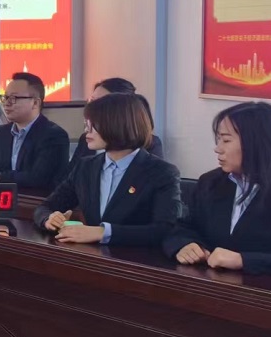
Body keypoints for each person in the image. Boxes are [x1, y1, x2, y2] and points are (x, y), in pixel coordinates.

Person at [34, 92, 181, 247]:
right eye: (87, 124)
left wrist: (103, 232)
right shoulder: (86, 167)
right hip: (92, 255)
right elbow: (45, 207)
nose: (87, 131)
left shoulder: (162, 172)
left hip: (135, 257)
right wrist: (48, 219)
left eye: (94, 124)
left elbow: (164, 229)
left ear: (118, 124)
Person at [163, 101, 271, 274]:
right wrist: (185, 245)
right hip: (211, 285)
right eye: (218, 140)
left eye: (226, 140)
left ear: (256, 142)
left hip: (267, 289)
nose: (218, 149)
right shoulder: (210, 182)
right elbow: (182, 228)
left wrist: (243, 260)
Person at [68, 78, 164, 163]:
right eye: (91, 101)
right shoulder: (87, 140)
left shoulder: (150, 143)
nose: (92, 107)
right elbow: (71, 173)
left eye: (101, 102)